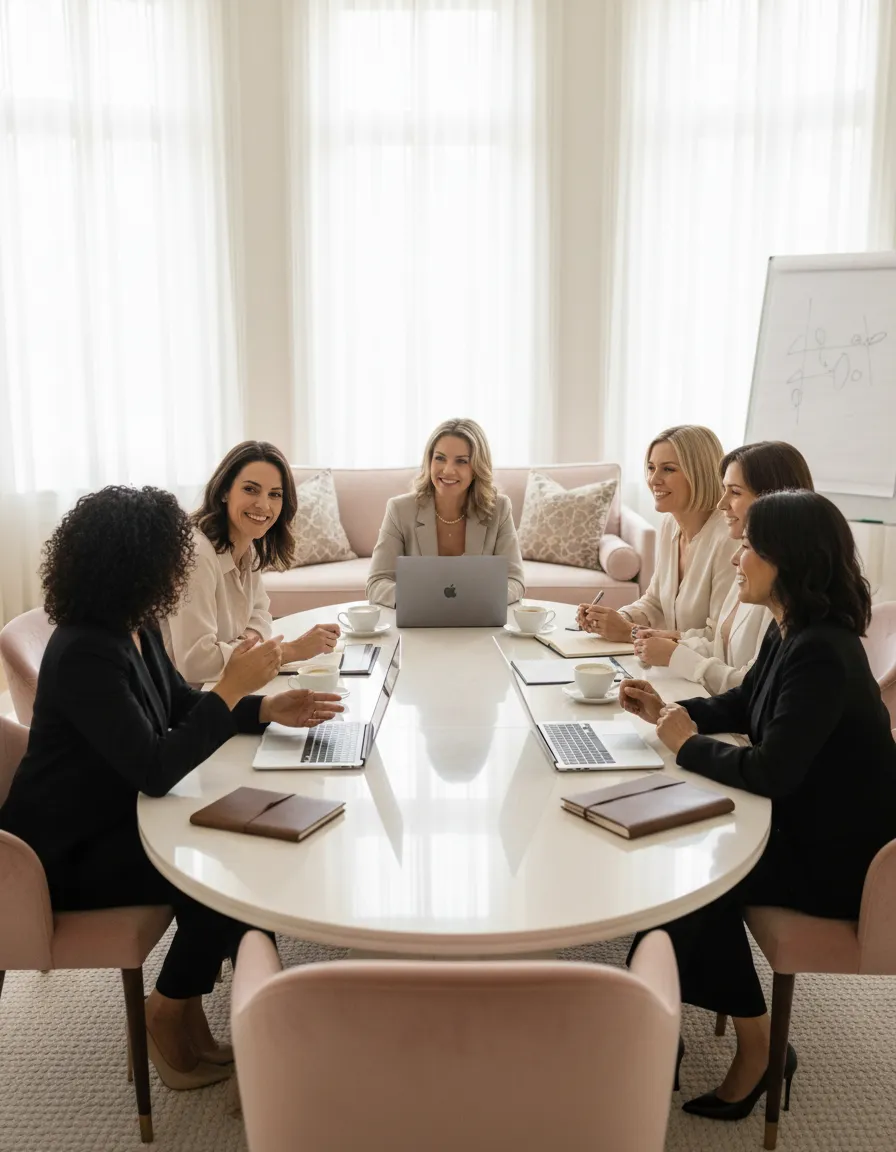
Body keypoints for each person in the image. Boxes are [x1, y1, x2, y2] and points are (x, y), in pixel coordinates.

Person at [0, 486, 344, 1090]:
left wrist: (265, 708)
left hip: (120, 809)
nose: (180, 570)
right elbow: (157, 768)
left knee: (244, 862)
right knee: (223, 874)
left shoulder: (137, 623)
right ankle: (174, 1010)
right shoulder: (85, 651)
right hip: (63, 852)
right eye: (170, 558)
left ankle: (195, 1009)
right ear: (133, 563)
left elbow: (180, 705)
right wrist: (232, 687)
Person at [618, 490, 896, 1120]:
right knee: (679, 869)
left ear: (787, 560)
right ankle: (656, 1026)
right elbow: (747, 706)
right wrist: (673, 713)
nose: (736, 557)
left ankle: (756, 1047)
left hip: (847, 864)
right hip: (809, 825)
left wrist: (687, 749)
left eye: (748, 546)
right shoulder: (792, 627)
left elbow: (773, 770)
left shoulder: (823, 651)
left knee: (697, 881)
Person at [633, 441, 814, 693]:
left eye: (735, 492)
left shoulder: (787, 589)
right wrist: (676, 642)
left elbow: (753, 687)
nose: (721, 504)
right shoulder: (747, 561)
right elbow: (722, 644)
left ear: (773, 499)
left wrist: (676, 655)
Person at [163, 441, 340, 684]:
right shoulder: (196, 554)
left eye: (275, 494)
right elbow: (196, 663)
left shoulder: (249, 546)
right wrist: (290, 651)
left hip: (221, 687)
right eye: (250, 489)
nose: (263, 505)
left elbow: (261, 614)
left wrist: (241, 649)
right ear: (224, 491)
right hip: (185, 701)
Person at [577, 425, 736, 646]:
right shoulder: (670, 524)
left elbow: (719, 639)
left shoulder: (730, 540)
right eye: (651, 468)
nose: (653, 480)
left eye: (668, 469)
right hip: (671, 664)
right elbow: (655, 603)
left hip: (704, 675)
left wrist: (629, 632)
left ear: (699, 473)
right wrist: (615, 620)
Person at [366, 418, 525, 607]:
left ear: (476, 467)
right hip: (420, 622)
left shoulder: (499, 508)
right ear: (429, 461)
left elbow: (515, 581)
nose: (448, 470)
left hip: (477, 621)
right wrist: (421, 599)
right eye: (440, 458)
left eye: (461, 461)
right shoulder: (400, 510)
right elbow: (376, 583)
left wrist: (484, 599)